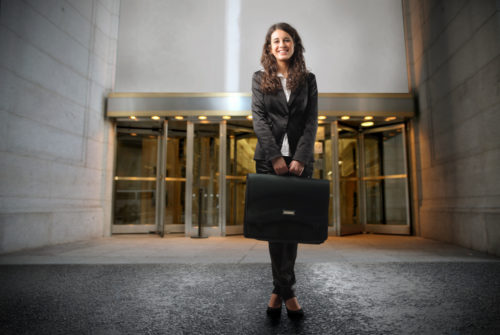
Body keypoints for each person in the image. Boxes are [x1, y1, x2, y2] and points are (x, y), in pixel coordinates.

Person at [251, 22, 318, 318]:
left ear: (295, 44)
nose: (282, 44)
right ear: (269, 47)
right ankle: (288, 293)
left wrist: (300, 157)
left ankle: (280, 291)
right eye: (276, 40)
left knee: (292, 229)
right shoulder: (259, 78)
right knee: (275, 229)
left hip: (300, 165)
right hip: (269, 163)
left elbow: (311, 122)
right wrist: (276, 156)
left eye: (287, 39)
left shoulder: (309, 79)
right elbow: (259, 120)